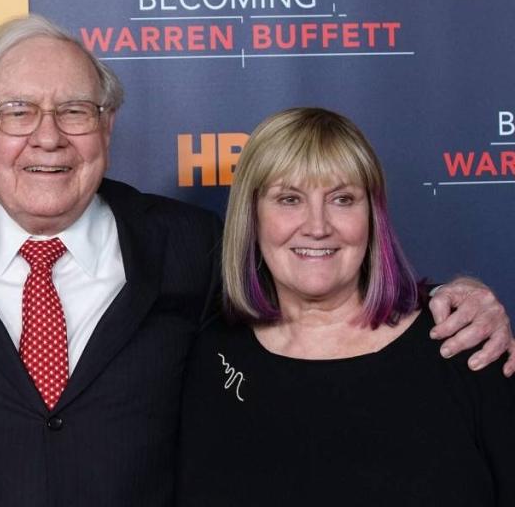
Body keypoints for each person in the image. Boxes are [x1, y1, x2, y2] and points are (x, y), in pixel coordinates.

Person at [0, 15, 513, 506]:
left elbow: (313, 293)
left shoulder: (188, 243)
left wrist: (460, 296)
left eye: (75, 110)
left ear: (107, 127)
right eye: (17, 111)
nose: (48, 137)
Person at [175, 108, 515, 506]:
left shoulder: (464, 344)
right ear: (252, 216)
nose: (317, 226)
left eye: (342, 199)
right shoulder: (208, 357)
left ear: (372, 216)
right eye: (289, 199)